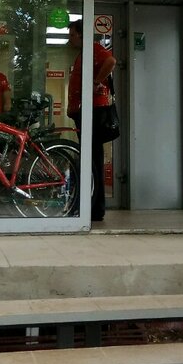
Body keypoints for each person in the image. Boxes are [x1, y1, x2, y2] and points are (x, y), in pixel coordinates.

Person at [67, 19, 116, 222]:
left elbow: (111, 61)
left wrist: (95, 82)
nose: (70, 39)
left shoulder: (94, 49)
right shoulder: (84, 53)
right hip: (84, 110)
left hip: (93, 111)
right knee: (90, 158)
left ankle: (95, 207)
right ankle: (92, 205)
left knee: (93, 159)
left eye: (72, 35)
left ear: (81, 34)